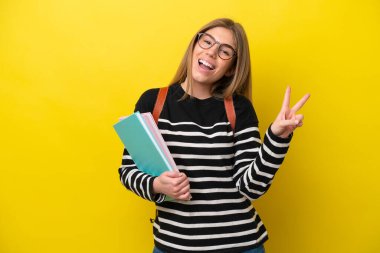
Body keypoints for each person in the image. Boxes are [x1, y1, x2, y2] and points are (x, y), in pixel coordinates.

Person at [118, 18, 310, 253]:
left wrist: (276, 137)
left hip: (240, 245)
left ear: (231, 68)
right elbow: (128, 171)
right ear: (194, 46)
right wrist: (157, 185)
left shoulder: (239, 109)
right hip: (173, 246)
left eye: (225, 51)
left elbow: (251, 187)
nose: (211, 52)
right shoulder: (153, 102)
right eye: (207, 41)